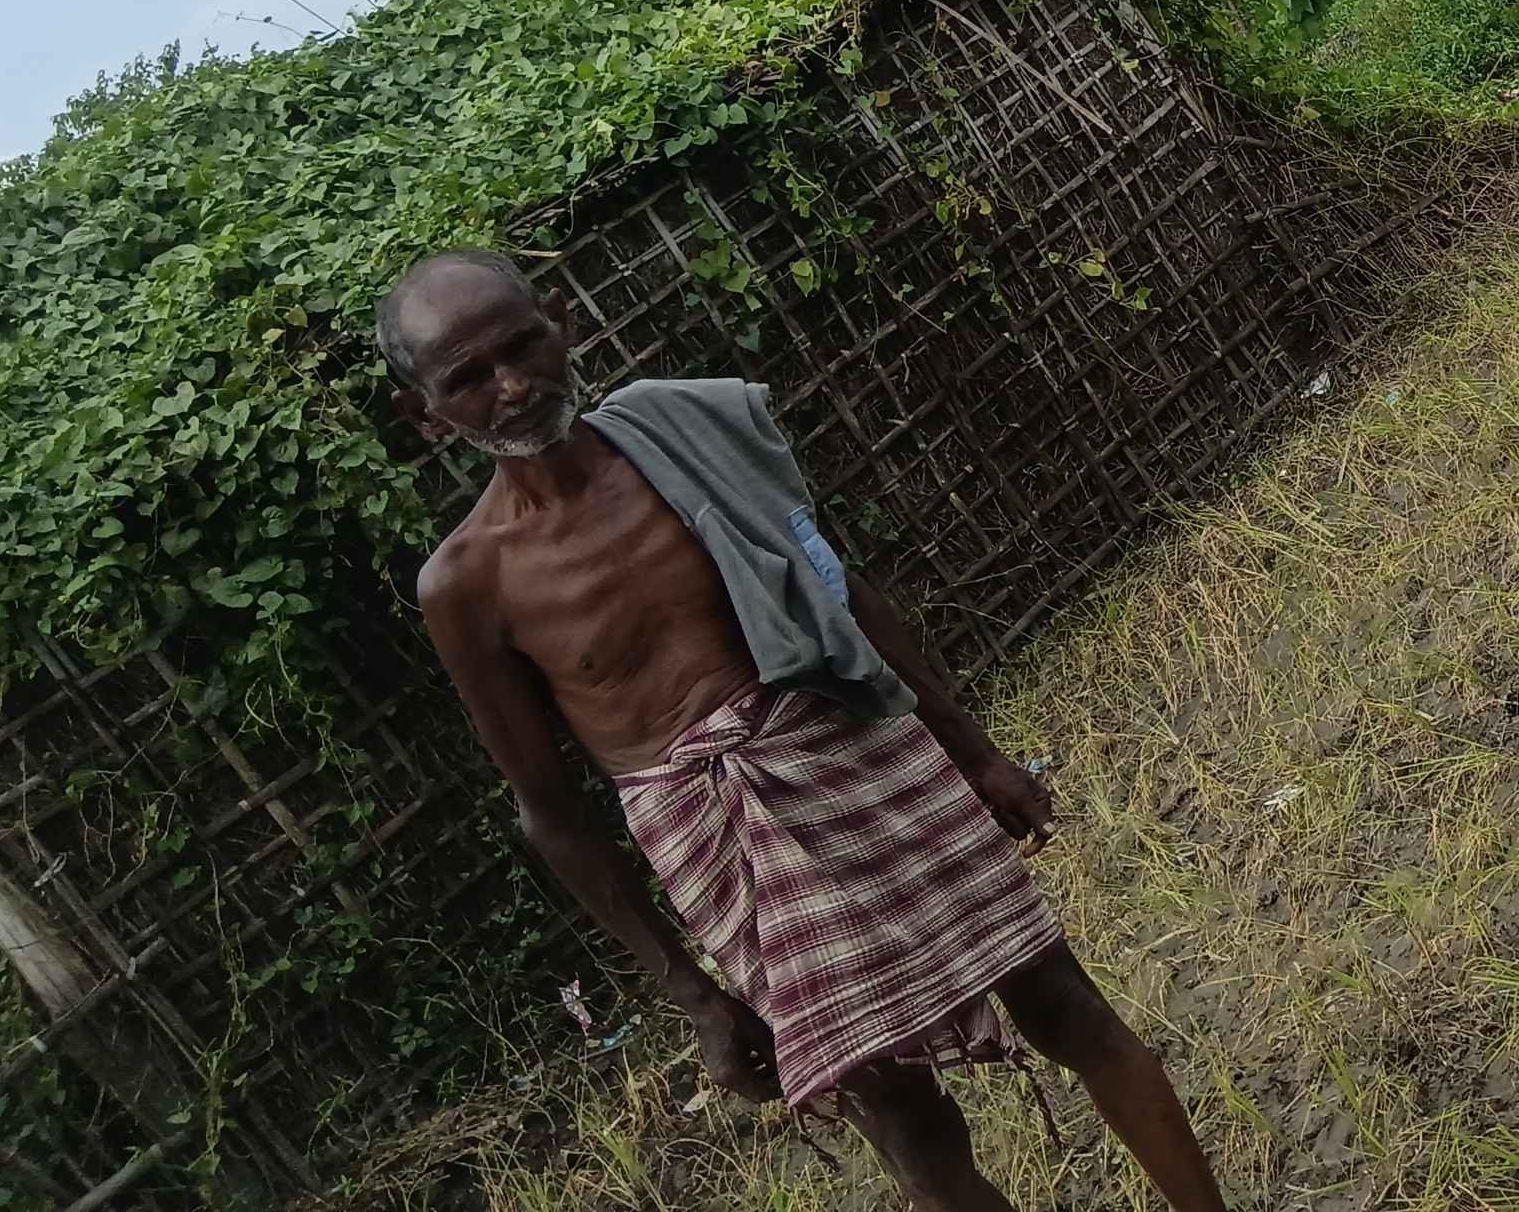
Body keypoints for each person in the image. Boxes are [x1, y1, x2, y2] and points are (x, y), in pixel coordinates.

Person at [386, 246, 1227, 1212]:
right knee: (910, 1129)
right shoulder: (467, 586)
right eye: (469, 378)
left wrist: (976, 753)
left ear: (562, 322)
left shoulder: (680, 436)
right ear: (426, 415)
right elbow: (552, 816)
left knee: (1066, 1009)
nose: (512, 387)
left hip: (855, 749)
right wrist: (696, 997)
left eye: (521, 346)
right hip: (724, 841)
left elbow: (835, 592)